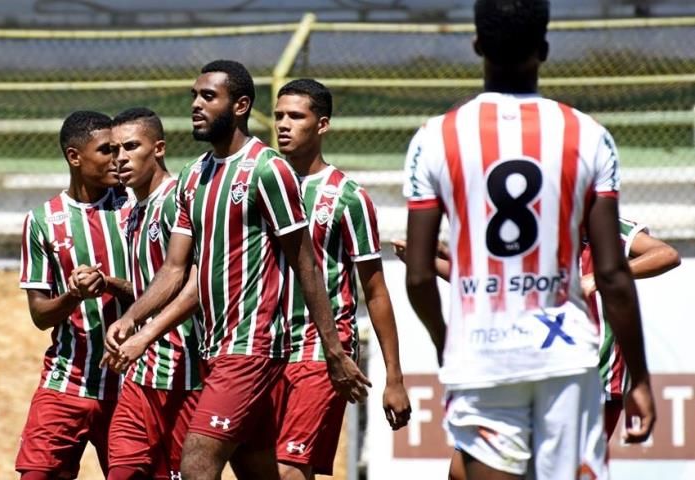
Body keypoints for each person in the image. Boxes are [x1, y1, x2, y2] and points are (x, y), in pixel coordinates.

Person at [402, 1, 656, 479]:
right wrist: (639, 375)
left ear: (477, 46)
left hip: (481, 354)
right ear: (543, 48)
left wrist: (445, 343)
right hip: (563, 356)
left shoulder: (435, 137)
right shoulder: (588, 134)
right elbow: (611, 273)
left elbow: (417, 276)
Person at [107, 60, 370, 480]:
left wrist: (334, 352)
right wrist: (133, 319)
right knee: (259, 472)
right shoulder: (194, 176)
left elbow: (306, 264)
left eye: (208, 97)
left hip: (254, 347)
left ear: (241, 105)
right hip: (214, 348)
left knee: (197, 462)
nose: (196, 105)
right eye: (194, 95)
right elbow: (177, 271)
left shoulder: (268, 169)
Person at [271, 79, 411, 479]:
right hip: (262, 347)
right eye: (279, 115)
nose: (283, 124)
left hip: (321, 350)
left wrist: (394, 379)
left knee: (289, 469)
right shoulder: (262, 184)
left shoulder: (347, 197)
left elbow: (375, 289)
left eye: (296, 116)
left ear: (322, 125)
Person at [16, 110, 134, 480]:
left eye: (120, 149)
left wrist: (112, 284)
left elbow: (167, 287)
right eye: (106, 151)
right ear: (74, 156)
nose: (119, 159)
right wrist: (72, 295)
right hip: (66, 381)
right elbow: (40, 315)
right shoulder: (43, 220)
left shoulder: (137, 208)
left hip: (131, 385)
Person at [102, 107, 202, 480]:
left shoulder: (179, 200)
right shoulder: (133, 212)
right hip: (139, 376)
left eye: (130, 146)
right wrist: (113, 286)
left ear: (158, 148)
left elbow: (195, 284)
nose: (120, 158)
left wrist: (139, 329)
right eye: (113, 150)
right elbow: (150, 288)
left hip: (184, 373)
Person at [581, 218, 680, 439]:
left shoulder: (599, 225)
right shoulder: (530, 228)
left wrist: (600, 278)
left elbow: (667, 254)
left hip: (599, 378)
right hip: (542, 372)